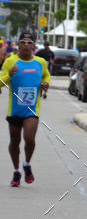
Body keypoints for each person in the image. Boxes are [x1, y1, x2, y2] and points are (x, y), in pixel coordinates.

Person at [0, 30, 50, 186]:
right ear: (18, 44)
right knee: (14, 141)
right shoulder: (10, 61)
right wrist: (9, 75)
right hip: (14, 109)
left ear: (34, 45)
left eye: (30, 43)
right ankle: (16, 172)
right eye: (23, 42)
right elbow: (1, 82)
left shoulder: (41, 62)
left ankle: (27, 164)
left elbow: (46, 76)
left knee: (29, 138)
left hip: (32, 109)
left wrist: (45, 84)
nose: (26, 45)